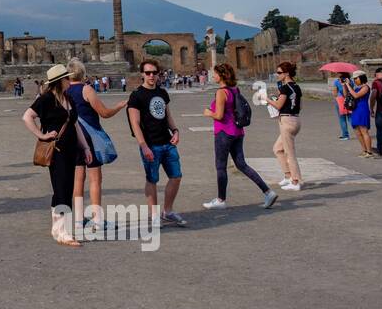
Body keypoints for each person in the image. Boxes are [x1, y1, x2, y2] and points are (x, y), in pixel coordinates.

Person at [25, 64, 92, 247]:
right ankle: (63, 232)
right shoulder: (46, 99)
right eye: (67, 78)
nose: (70, 81)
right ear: (59, 81)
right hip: (57, 151)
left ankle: (57, 228)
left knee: (65, 188)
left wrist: (85, 147)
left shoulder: (68, 98)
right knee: (62, 188)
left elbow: (75, 124)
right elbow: (27, 116)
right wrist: (42, 135)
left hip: (72, 149)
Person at [202, 63, 278, 209]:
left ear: (222, 75)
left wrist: (208, 113)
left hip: (223, 132)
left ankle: (220, 200)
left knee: (220, 166)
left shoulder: (221, 92)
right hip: (237, 131)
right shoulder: (234, 89)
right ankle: (268, 192)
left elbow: (218, 115)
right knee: (241, 164)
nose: (213, 75)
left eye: (215, 73)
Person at [65, 59, 126, 228]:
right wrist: (118, 107)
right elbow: (104, 113)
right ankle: (97, 219)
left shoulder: (64, 91)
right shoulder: (86, 89)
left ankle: (78, 219)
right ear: (83, 73)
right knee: (95, 179)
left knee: (78, 179)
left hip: (72, 138)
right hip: (89, 138)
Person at [126, 60, 187, 226]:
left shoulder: (162, 92)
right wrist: (143, 145)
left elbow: (167, 116)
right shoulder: (136, 96)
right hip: (150, 144)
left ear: (159, 73)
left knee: (176, 176)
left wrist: (175, 131)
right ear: (142, 74)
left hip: (167, 142)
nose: (151, 75)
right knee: (152, 179)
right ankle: (153, 215)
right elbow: (135, 123)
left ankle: (167, 211)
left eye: (154, 72)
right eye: (148, 73)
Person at [267, 61, 303, 191]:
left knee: (290, 153)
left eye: (279, 72)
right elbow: (299, 105)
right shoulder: (296, 87)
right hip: (295, 119)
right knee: (277, 148)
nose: (277, 75)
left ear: (286, 73)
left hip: (287, 120)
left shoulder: (285, 88)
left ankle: (296, 181)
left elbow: (278, 106)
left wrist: (266, 99)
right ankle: (288, 176)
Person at [342, 70, 374, 158]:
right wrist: (344, 85)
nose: (355, 80)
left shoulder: (365, 87)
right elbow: (346, 95)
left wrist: (348, 85)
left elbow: (356, 96)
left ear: (361, 78)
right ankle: (364, 150)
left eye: (356, 78)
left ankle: (369, 152)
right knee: (357, 131)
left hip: (362, 109)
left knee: (364, 131)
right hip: (355, 110)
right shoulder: (356, 88)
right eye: (354, 79)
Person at [332, 73, 351, 140]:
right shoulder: (350, 80)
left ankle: (345, 135)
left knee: (342, 118)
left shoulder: (336, 81)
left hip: (340, 100)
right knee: (350, 117)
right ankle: (359, 132)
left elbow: (334, 93)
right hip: (350, 100)